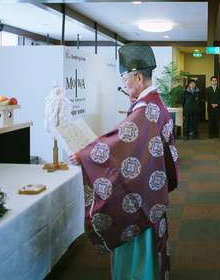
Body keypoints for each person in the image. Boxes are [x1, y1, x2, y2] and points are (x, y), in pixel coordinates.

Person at [68, 42, 180, 280]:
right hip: (152, 186)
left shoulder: (146, 109)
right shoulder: (154, 103)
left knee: (137, 235)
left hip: (143, 194)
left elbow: (122, 140)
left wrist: (85, 155)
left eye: (124, 78)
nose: (123, 84)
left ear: (138, 76)